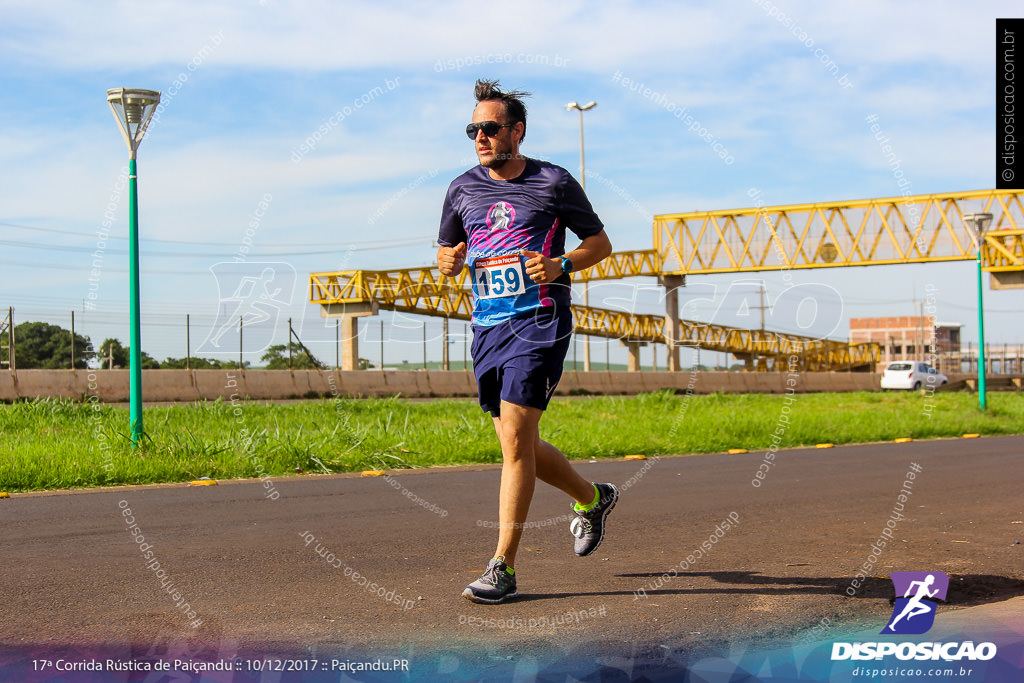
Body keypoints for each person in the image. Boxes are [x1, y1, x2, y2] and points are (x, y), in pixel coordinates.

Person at [437, 79, 619, 604]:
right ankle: (592, 498)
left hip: (540, 320)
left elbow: (599, 244)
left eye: (490, 128)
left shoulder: (553, 182)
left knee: (516, 440)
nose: (480, 137)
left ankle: (503, 568)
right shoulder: (461, 188)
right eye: (473, 129)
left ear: (516, 131)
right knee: (519, 443)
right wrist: (448, 261)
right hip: (488, 326)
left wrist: (561, 263)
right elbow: (450, 250)